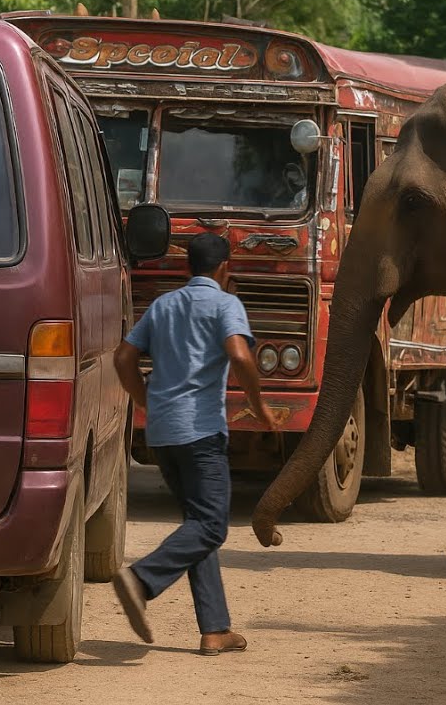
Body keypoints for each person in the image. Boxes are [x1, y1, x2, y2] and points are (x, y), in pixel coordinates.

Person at [111, 232, 280, 656]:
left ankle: (215, 629)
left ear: (189, 266)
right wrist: (258, 405)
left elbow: (123, 358)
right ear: (225, 268)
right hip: (201, 432)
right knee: (212, 526)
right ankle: (141, 579)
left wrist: (145, 401)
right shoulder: (225, 304)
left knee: (197, 525)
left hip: (163, 433)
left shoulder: (163, 305)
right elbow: (239, 355)